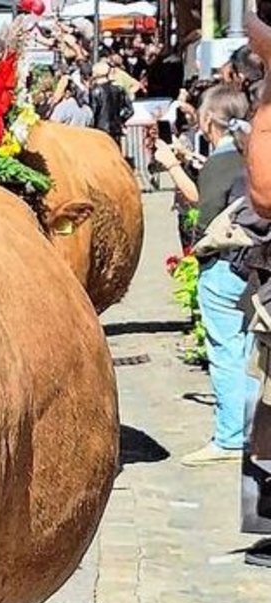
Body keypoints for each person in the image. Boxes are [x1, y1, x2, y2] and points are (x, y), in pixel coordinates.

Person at [155, 84, 255, 467]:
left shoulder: (223, 160)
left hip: (225, 265)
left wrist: (172, 166)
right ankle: (250, 429)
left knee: (226, 351)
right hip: (252, 264)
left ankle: (231, 435)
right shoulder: (250, 153)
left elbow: (203, 203)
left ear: (209, 118)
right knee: (247, 351)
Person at [89, 61, 134, 145]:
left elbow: (93, 112)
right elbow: (129, 110)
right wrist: (119, 119)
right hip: (116, 130)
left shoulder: (95, 91)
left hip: (100, 130)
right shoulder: (119, 89)